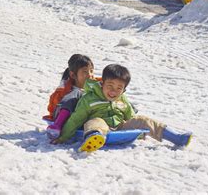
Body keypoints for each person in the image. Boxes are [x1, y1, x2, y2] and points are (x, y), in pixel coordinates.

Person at [53, 64, 192, 152]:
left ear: (124, 90)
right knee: (95, 121)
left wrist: (139, 128)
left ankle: (176, 138)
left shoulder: (122, 99)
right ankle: (94, 138)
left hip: (119, 126)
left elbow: (131, 116)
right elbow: (76, 118)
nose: (114, 91)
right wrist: (63, 136)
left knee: (143, 119)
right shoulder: (89, 99)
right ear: (102, 83)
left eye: (119, 88)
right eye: (110, 86)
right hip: (100, 126)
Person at [43, 54, 95, 139]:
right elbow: (54, 106)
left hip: (82, 117)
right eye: (85, 71)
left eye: (91, 71)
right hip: (64, 116)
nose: (90, 75)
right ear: (73, 75)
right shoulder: (67, 90)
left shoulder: (95, 86)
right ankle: (57, 125)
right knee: (77, 93)